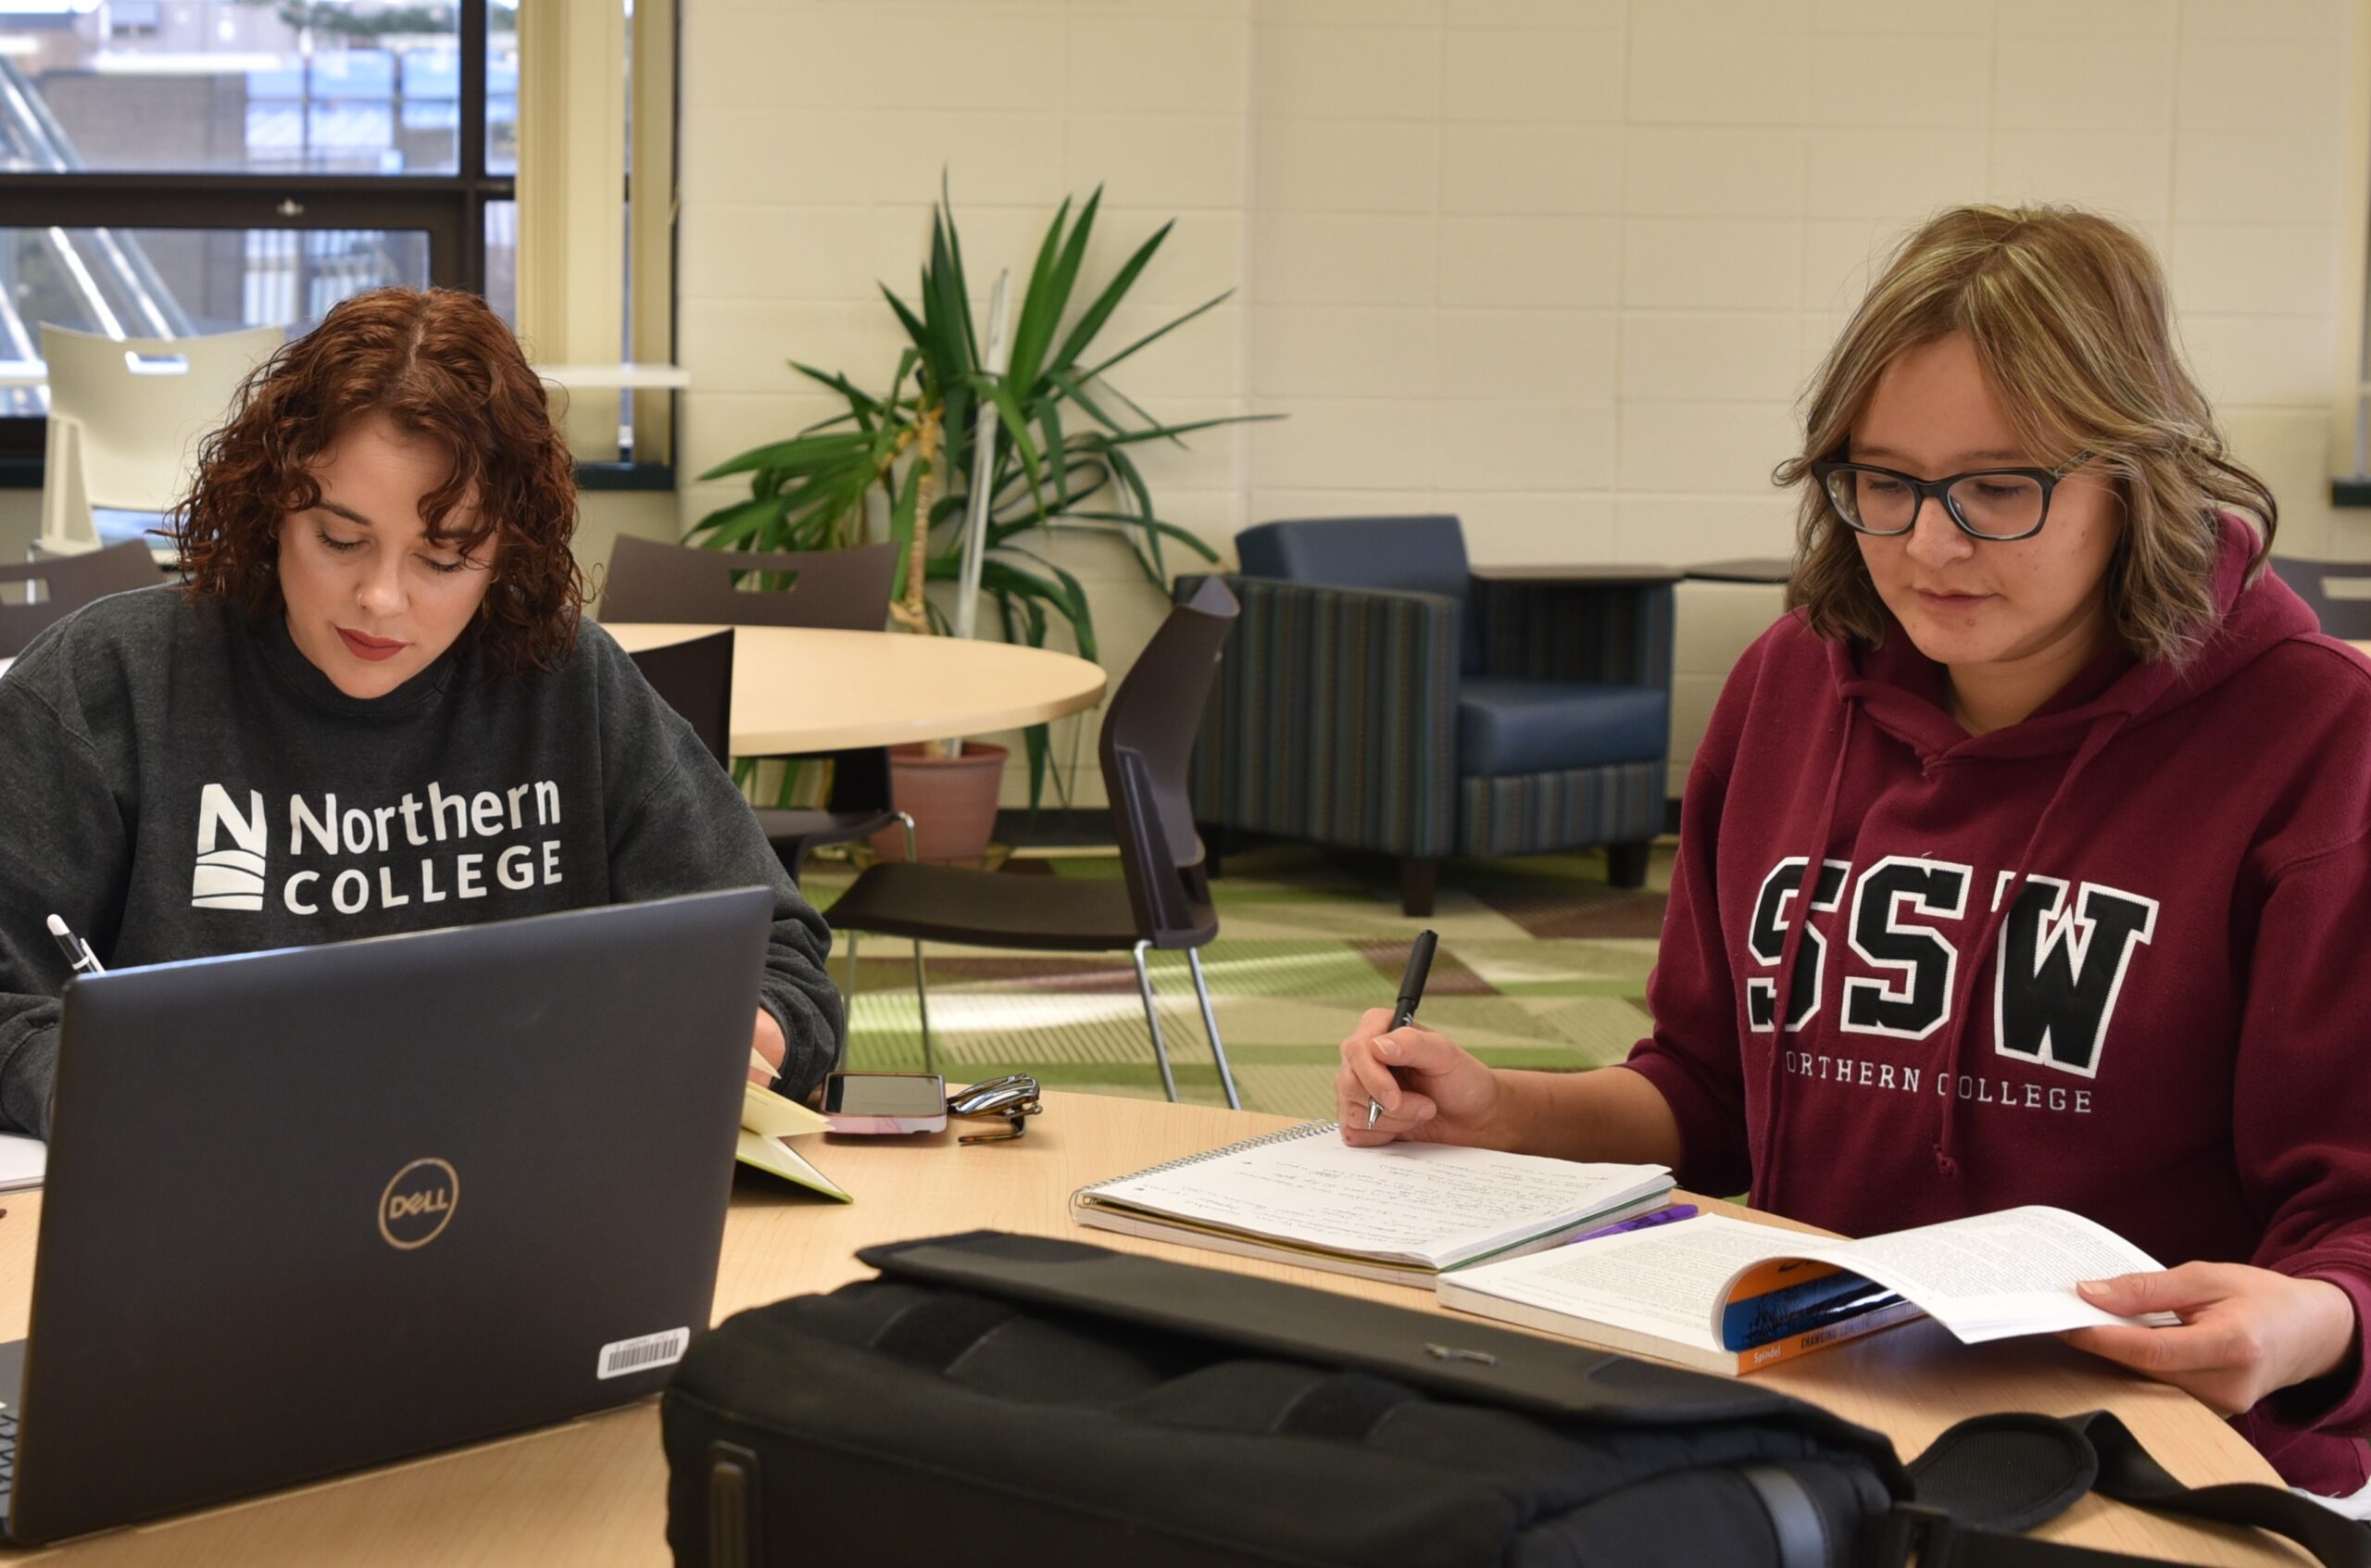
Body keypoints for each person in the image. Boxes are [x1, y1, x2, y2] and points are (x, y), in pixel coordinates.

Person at [1336, 207, 2371, 1501]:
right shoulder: (1788, 686)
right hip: (1822, 1401)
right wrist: (1502, 1109)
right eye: (1888, 482)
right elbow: (1709, 1094)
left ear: (2135, 475)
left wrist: (2312, 1325)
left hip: (2149, 1446)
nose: (1933, 545)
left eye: (2002, 487)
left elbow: (2352, 1225)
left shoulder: (2313, 732)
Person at [0, 286, 845, 1135]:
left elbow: (777, 960)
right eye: (339, 539)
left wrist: (746, 1034)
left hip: (518, 1209)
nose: (380, 598)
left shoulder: (565, 681)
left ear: (505, 552)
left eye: (444, 557)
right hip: (197, 1209)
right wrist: (120, 1094)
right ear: (270, 505)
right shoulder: (108, 683)